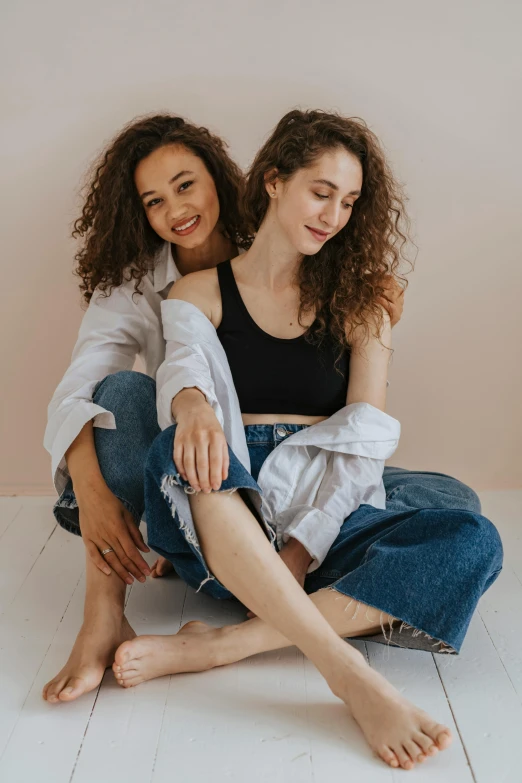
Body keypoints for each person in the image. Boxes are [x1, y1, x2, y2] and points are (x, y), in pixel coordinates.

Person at [110, 110, 503, 772]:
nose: (334, 214)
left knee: (472, 536)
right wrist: (193, 406)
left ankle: (224, 645)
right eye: (321, 191)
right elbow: (182, 364)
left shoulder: (362, 301)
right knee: (181, 450)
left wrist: (301, 544)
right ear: (274, 181)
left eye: (349, 201)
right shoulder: (199, 290)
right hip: (226, 505)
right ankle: (346, 670)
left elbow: (360, 443)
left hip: (323, 504)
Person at [42, 113, 404, 704]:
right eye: (154, 200)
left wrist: (374, 320)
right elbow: (83, 392)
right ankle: (103, 612)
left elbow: (355, 414)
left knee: (449, 506)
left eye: (186, 185)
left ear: (220, 178)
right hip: (198, 468)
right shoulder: (146, 288)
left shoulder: (288, 242)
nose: (176, 209)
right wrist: (95, 495)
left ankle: (236, 637)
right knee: (123, 394)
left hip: (287, 469)